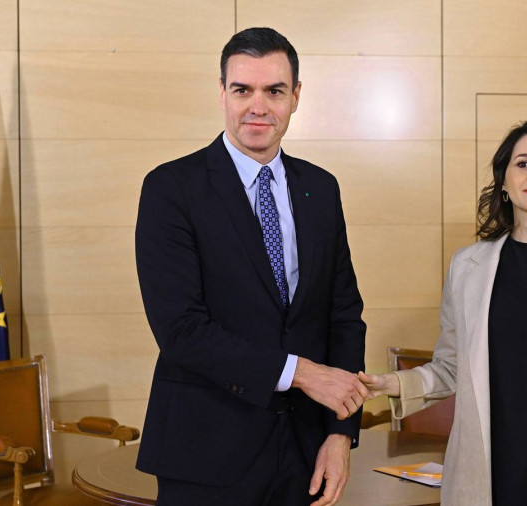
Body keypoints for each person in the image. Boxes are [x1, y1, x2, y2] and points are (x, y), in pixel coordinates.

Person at [134, 27, 368, 506]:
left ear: (296, 96)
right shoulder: (171, 188)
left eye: (274, 91)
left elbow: (343, 317)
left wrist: (340, 434)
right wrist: (301, 372)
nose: (258, 107)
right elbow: (181, 331)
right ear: (222, 93)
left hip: (306, 455)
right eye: (243, 90)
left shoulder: (321, 189)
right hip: (206, 453)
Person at [360, 119, 527, 505]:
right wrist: (392, 384)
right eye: (523, 164)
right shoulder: (466, 267)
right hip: (485, 468)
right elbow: (452, 367)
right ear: (504, 182)